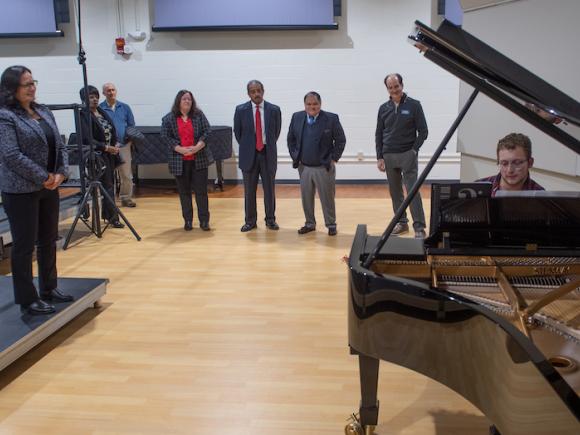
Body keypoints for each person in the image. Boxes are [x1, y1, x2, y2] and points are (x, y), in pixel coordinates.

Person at [0, 65, 73, 315]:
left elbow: (60, 144)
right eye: (26, 84)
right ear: (11, 89)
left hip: (49, 185)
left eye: (33, 82)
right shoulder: (5, 115)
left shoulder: (42, 111)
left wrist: (61, 173)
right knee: (24, 245)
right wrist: (44, 177)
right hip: (21, 190)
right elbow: (11, 155)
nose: (32, 88)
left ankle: (49, 288)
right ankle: (27, 298)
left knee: (48, 239)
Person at [375, 73, 428, 238]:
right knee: (395, 193)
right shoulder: (383, 108)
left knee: (412, 191)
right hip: (389, 155)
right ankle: (402, 223)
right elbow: (378, 133)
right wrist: (380, 156)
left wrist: (414, 150)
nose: (394, 90)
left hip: (408, 154)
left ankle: (419, 227)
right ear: (387, 89)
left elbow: (423, 131)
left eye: (396, 86)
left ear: (402, 85)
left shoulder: (414, 105)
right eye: (390, 87)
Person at [287, 91, 346, 236]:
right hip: (304, 167)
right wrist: (296, 156)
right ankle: (310, 223)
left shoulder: (331, 118)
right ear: (304, 105)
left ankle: (331, 224)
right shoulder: (297, 117)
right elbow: (291, 139)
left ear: (320, 104)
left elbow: (341, 140)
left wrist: (333, 159)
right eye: (309, 104)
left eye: (315, 104)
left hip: (323, 167)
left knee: (327, 197)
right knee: (306, 197)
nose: (312, 107)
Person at [161, 90, 213, 231]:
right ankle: (188, 220)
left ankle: (204, 221)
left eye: (189, 99)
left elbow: (207, 132)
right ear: (178, 101)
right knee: (184, 192)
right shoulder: (168, 119)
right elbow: (165, 137)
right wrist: (180, 149)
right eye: (184, 99)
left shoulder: (198, 115)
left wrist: (197, 147)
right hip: (180, 160)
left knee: (201, 192)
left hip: (199, 159)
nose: (187, 101)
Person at [234, 80, 282, 232]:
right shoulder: (240, 110)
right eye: (253, 91)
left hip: (267, 154)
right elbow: (238, 133)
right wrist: (250, 146)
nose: (256, 94)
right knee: (249, 191)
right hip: (249, 155)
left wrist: (264, 144)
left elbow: (276, 132)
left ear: (263, 91)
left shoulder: (274, 109)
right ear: (248, 93)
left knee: (269, 190)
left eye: (258, 90)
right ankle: (250, 221)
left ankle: (270, 220)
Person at [79, 85, 124, 229]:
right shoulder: (82, 115)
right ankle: (109, 217)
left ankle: (110, 216)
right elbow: (87, 139)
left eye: (96, 96)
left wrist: (115, 143)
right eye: (91, 97)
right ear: (84, 99)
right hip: (96, 156)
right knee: (103, 188)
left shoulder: (101, 112)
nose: (94, 100)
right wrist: (105, 147)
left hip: (109, 154)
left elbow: (111, 129)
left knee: (109, 187)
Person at [99, 82, 137, 208]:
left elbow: (131, 125)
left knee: (126, 174)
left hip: (124, 146)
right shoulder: (100, 108)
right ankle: (110, 201)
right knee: (109, 176)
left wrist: (129, 140)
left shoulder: (125, 107)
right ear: (104, 93)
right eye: (108, 90)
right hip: (109, 148)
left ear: (116, 91)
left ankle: (126, 198)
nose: (111, 92)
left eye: (113, 90)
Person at [476, 132, 544, 195]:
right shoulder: (477, 188)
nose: (510, 170)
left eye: (517, 163)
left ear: (530, 163)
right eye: (504, 163)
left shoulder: (541, 195)